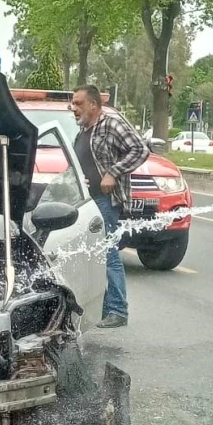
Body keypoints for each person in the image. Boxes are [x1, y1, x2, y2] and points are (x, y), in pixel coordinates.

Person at [70, 84, 150, 328]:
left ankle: (118, 310)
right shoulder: (83, 131)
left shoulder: (111, 124)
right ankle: (104, 307)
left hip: (106, 200)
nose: (74, 108)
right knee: (93, 255)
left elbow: (140, 150)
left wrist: (113, 173)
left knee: (108, 252)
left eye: (79, 103)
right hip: (87, 202)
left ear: (94, 105)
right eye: (72, 104)